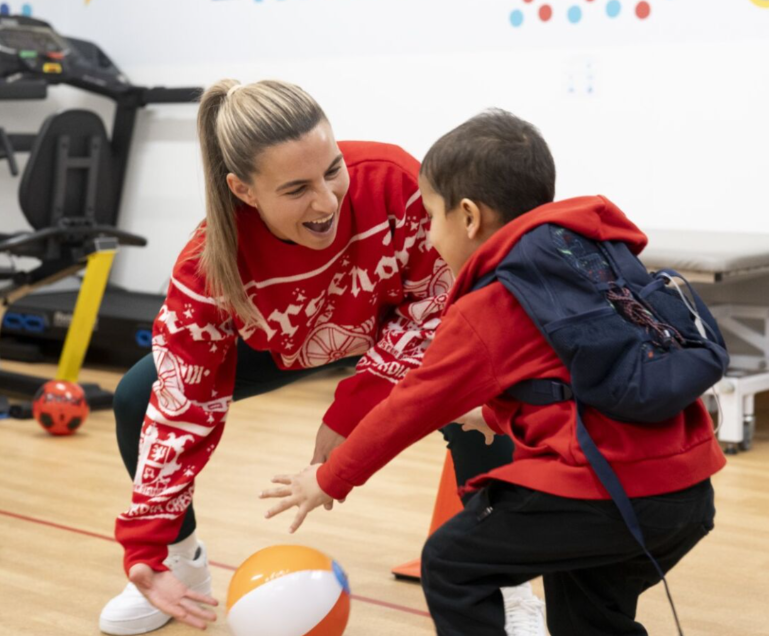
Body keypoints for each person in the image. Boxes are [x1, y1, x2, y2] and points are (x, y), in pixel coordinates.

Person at [101, 81, 545, 635]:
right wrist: (146, 541)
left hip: (385, 328)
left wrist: (352, 410)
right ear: (243, 190)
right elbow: (180, 403)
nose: (328, 201)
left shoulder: (395, 183)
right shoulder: (207, 264)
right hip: (280, 342)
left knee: (477, 387)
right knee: (137, 395)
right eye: (296, 189)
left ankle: (507, 582)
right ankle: (180, 564)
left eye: (333, 169)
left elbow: (437, 306)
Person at [262, 109, 727, 635]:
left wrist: (327, 479)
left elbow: (409, 407)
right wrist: (497, 415)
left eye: (431, 216)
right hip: (686, 490)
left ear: (468, 216)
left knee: (452, 564)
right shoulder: (589, 256)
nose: (430, 235)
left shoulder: (491, 302)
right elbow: (590, 378)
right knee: (587, 621)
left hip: (610, 493)